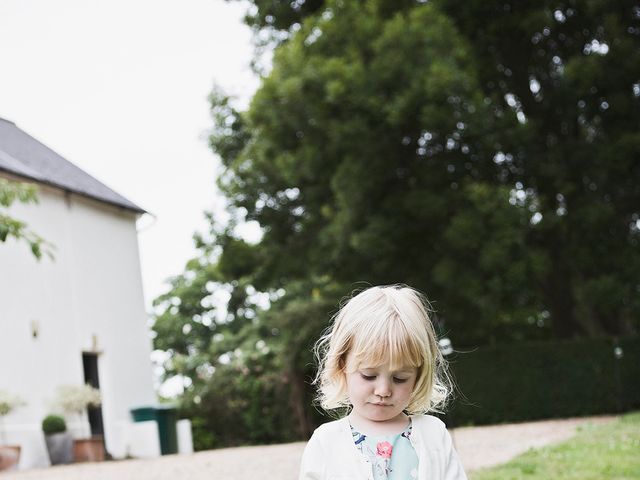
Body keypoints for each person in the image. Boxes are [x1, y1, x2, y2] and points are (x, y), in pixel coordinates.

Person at [299, 285, 467, 480]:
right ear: (342, 365)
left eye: (400, 378)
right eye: (369, 376)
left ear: (419, 375)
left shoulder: (433, 434)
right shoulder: (326, 442)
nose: (383, 390)